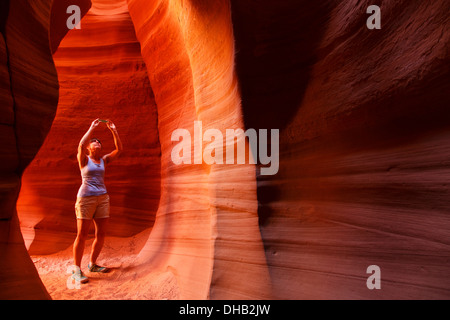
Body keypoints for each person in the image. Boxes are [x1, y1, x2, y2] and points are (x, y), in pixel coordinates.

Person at [71, 118, 123, 284]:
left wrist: (113, 130)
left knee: (101, 234)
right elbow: (80, 145)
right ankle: (76, 270)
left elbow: (119, 149)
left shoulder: (104, 160)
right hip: (85, 199)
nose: (96, 142)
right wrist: (91, 128)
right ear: (88, 148)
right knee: (82, 234)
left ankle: (92, 264)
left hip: (103, 198)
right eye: (93, 142)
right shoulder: (84, 159)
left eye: (99, 142)